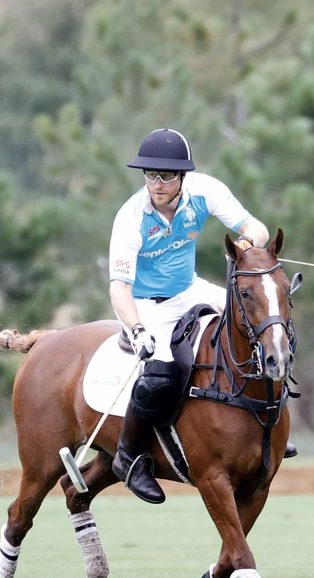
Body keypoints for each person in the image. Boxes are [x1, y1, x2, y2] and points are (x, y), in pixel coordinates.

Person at [107, 128, 272, 504]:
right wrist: (137, 330)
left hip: (189, 289)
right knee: (161, 372)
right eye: (150, 175)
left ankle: (264, 427)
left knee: (257, 328)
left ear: (183, 177)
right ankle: (130, 457)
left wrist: (248, 242)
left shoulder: (205, 191)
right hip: (146, 302)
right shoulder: (131, 217)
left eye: (166, 176)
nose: (157, 183)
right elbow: (118, 288)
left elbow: (256, 228)